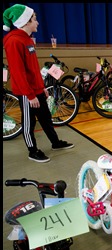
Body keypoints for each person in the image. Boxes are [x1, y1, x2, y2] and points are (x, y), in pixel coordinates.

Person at [3, 4, 74, 163]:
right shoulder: (13, 41)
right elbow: (18, 72)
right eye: (35, 19)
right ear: (26, 22)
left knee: (46, 117)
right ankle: (32, 151)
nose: (38, 23)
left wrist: (41, 87)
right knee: (29, 122)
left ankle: (55, 143)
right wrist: (30, 95)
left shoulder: (27, 39)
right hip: (25, 92)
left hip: (37, 89)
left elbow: (33, 69)